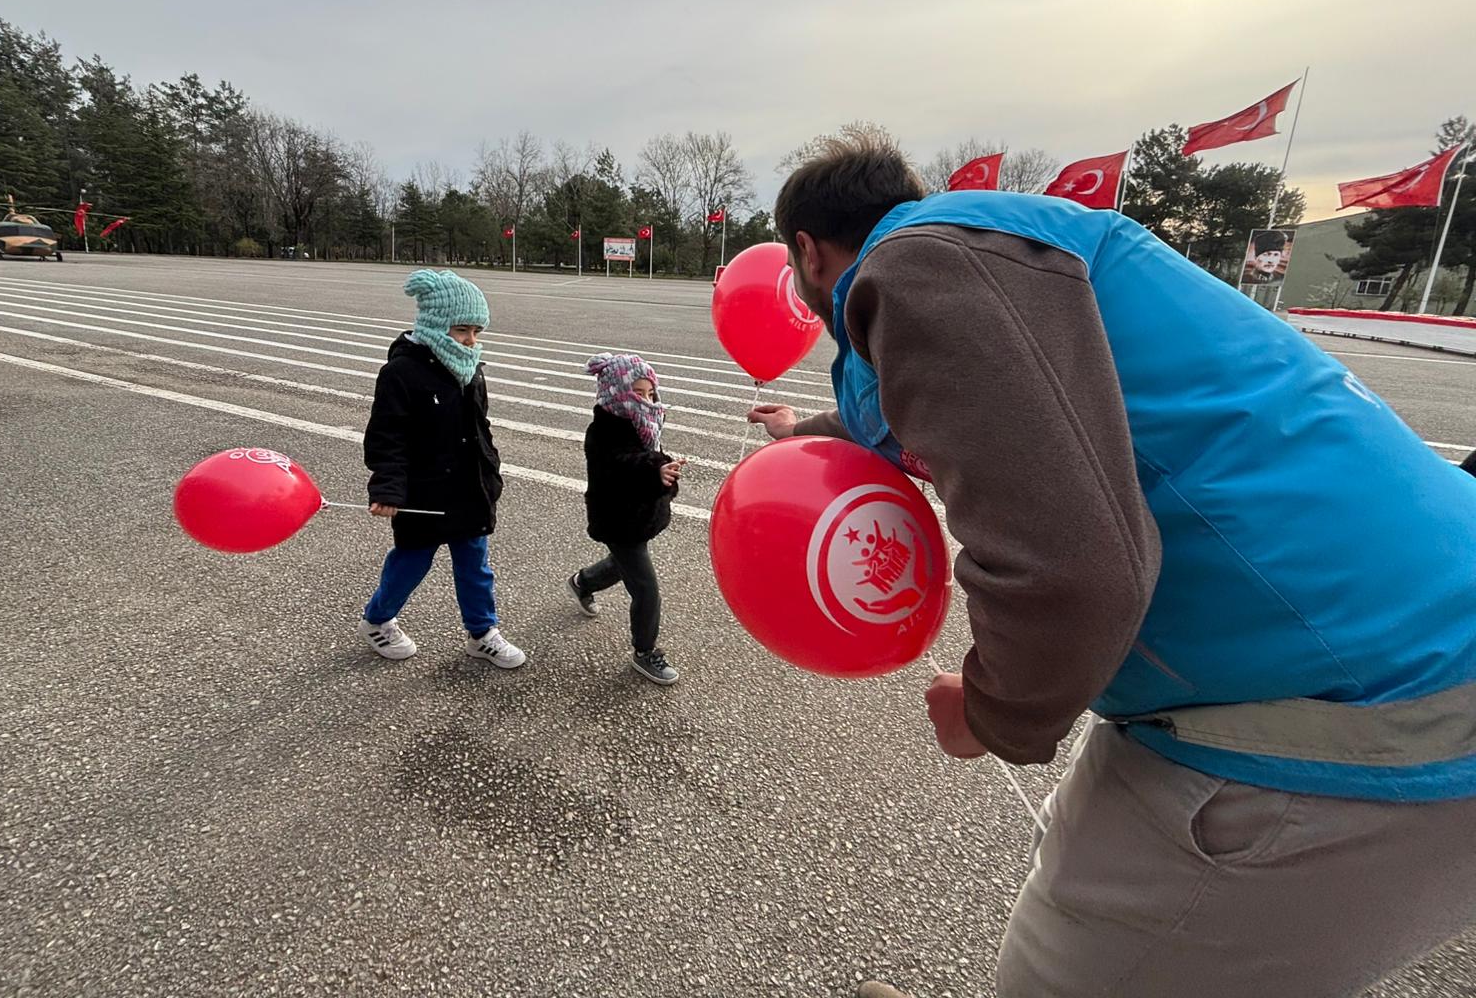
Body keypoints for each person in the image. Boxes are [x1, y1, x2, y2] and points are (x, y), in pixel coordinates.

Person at [748, 130, 1476, 998]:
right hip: (1396, 624)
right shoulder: (1004, 240)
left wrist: (988, 714)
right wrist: (817, 438)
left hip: (1365, 697)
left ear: (805, 251)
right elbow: (948, 407)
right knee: (1082, 836)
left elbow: (1077, 577)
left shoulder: (914, 271)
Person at [358, 269, 525, 670]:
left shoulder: (470, 368)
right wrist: (387, 489)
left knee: (476, 565)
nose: (471, 341)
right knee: (411, 562)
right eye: (461, 330)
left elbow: (479, 426)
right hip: (424, 492)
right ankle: (377, 619)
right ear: (435, 324)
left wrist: (490, 469)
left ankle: (482, 632)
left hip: (469, 487)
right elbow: (387, 436)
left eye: (477, 331)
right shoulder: (401, 373)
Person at [566, 353, 684, 685]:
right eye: (638, 394)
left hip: (638, 517)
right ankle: (645, 652)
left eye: (650, 394)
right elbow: (622, 464)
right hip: (617, 519)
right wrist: (654, 470)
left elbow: (647, 459)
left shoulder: (641, 424)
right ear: (616, 393)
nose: (647, 402)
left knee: (622, 565)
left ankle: (582, 582)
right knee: (646, 588)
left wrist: (664, 472)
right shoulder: (603, 431)